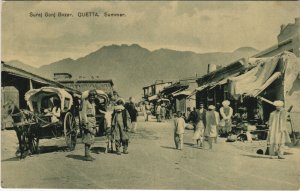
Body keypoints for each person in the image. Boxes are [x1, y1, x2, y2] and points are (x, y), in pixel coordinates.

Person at [81, 89, 98, 161]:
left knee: (91, 138)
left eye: (94, 96)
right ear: (89, 96)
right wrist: (86, 122)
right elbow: (84, 113)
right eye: (91, 96)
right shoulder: (85, 102)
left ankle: (88, 154)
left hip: (93, 121)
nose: (93, 97)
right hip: (88, 120)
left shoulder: (93, 103)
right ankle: (87, 155)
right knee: (88, 138)